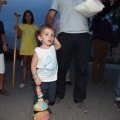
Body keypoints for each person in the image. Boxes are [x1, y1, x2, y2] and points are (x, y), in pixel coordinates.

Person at [45, 0, 92, 112]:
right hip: (64, 34)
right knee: (61, 67)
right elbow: (51, 15)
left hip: (84, 35)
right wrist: (47, 26)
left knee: (82, 68)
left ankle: (79, 98)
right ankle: (59, 94)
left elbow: (97, 5)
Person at [31, 24, 61, 114]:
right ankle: (38, 110)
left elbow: (59, 45)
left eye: (52, 35)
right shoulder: (38, 51)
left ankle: (45, 105)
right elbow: (33, 65)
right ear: (40, 37)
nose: (50, 37)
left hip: (53, 79)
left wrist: (53, 37)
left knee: (51, 97)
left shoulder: (52, 47)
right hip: (42, 80)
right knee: (40, 97)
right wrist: (35, 77)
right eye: (46, 34)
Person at [14, 10, 39, 88]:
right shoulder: (22, 25)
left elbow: (38, 38)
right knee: (25, 64)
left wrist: (39, 48)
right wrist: (17, 29)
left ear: (32, 17)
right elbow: (18, 36)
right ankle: (24, 81)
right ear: (24, 17)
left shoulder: (35, 26)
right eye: (26, 15)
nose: (28, 17)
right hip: (24, 48)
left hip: (33, 48)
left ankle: (33, 80)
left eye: (29, 15)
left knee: (33, 64)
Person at [90, 10, 114, 84]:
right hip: (97, 41)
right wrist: (96, 19)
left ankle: (101, 78)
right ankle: (95, 77)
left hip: (106, 42)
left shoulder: (107, 22)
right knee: (96, 60)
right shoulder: (96, 21)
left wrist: (112, 44)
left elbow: (110, 33)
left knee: (103, 62)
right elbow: (92, 29)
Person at [53, 15, 72, 85]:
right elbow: (54, 30)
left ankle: (67, 77)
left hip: (68, 41)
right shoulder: (57, 20)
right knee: (59, 60)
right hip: (59, 41)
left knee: (68, 60)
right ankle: (57, 77)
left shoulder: (70, 19)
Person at [0, 20, 9, 96]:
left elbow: (2, 34)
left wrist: (5, 44)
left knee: (2, 71)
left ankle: (1, 88)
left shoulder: (0, 23)